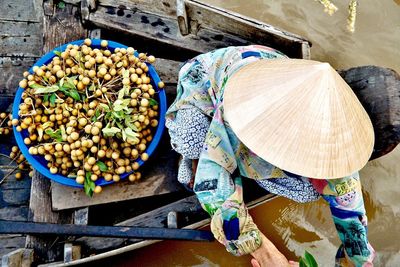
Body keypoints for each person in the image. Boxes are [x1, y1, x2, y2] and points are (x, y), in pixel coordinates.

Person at [165, 45, 375, 266]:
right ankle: (193, 160)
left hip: (272, 78)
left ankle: (242, 172)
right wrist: (266, 253)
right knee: (192, 141)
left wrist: (358, 258)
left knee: (308, 190)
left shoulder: (334, 136)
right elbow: (213, 188)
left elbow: (348, 202)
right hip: (211, 87)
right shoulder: (241, 109)